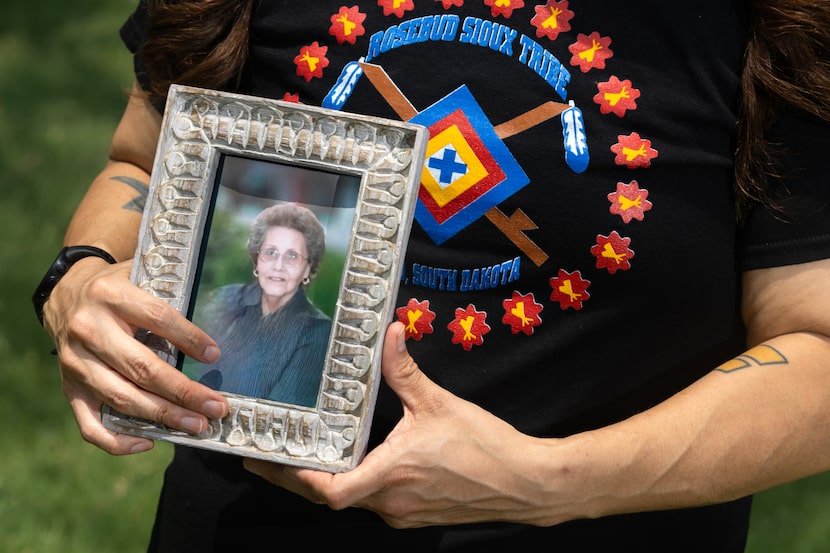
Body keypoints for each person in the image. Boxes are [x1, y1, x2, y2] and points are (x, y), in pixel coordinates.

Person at [36, 0, 830, 551]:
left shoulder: (778, 23)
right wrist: (80, 278)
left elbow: (817, 345)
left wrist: (551, 482)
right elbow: (141, 160)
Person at [184, 202, 330, 407]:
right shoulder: (223, 298)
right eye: (270, 252)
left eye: (292, 256)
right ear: (257, 259)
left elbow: (281, 413)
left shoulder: (319, 331)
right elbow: (190, 371)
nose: (278, 266)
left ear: (308, 269)